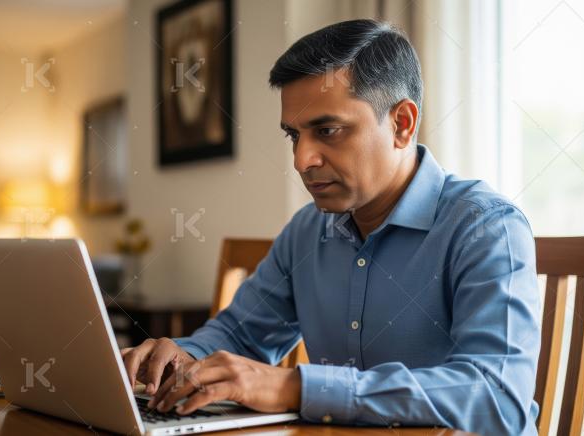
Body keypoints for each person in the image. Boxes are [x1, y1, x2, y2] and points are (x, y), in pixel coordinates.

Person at [121, 19, 540, 435]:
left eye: (328, 130)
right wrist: (180, 355)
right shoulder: (307, 230)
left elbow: (498, 398)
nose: (302, 160)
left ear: (402, 123)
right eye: (293, 136)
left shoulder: (487, 228)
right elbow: (240, 334)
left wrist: (295, 387)